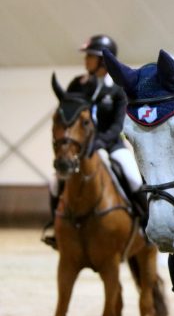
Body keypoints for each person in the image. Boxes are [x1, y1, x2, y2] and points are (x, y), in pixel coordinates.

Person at [42, 34, 145, 249]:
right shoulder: (77, 85)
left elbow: (118, 126)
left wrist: (99, 142)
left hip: (110, 145)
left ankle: (146, 226)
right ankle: (55, 228)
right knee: (55, 183)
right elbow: (68, 116)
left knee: (133, 177)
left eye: (90, 56)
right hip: (79, 149)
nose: (85, 60)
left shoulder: (118, 90)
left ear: (103, 61)